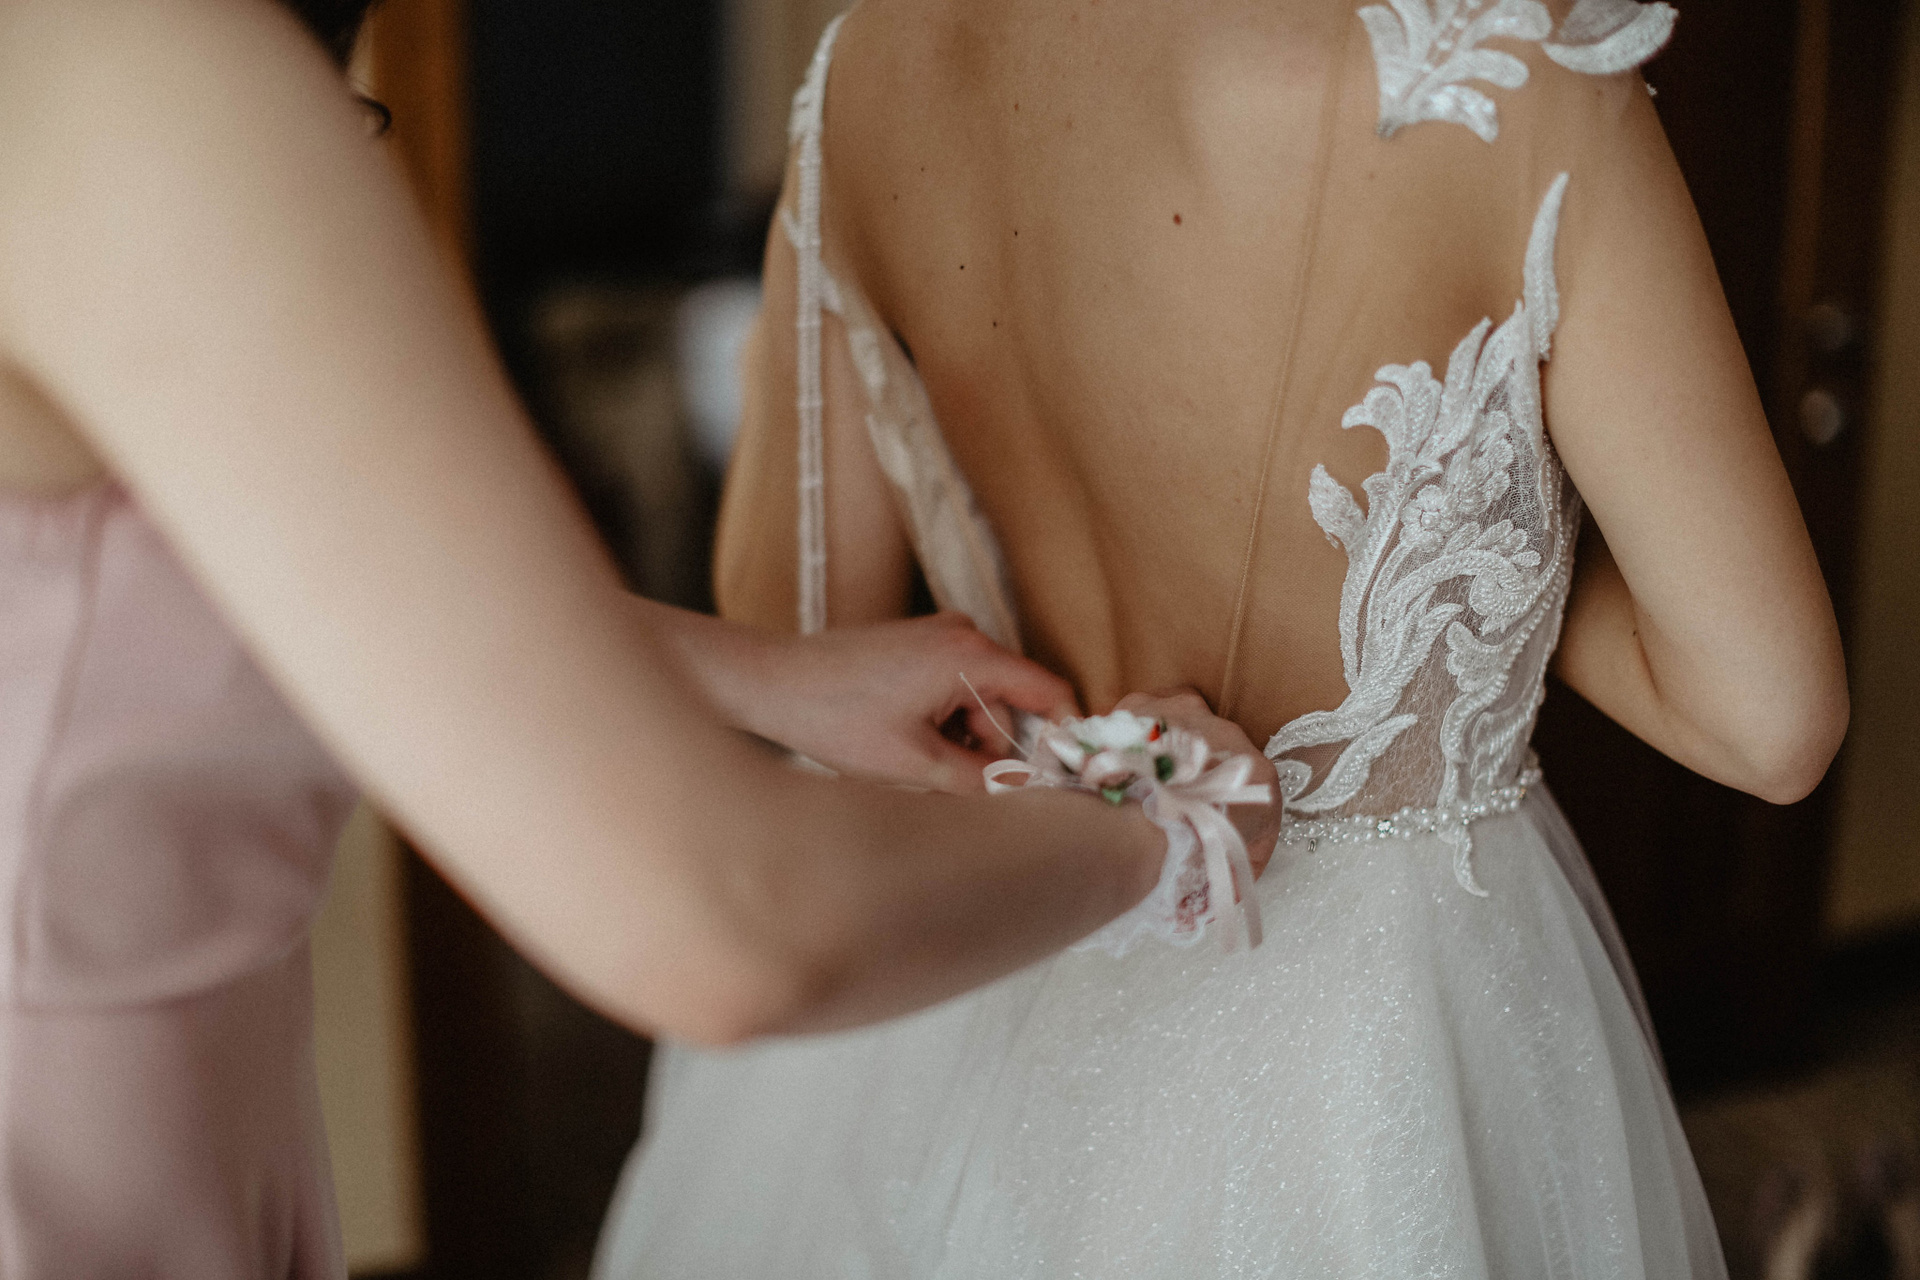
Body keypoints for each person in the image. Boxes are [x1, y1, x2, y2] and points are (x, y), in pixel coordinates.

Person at [0, 0, 1280, 1271]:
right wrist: (1159, 824)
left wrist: (761, 676)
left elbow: (190, 571)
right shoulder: (142, 72)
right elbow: (725, 920)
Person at [594, 0, 1850, 1275]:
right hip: (1367, 1051)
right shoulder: (1500, 68)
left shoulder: (867, 60)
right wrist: (1477, 515)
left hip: (989, 947)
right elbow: (1765, 714)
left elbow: (793, 631)